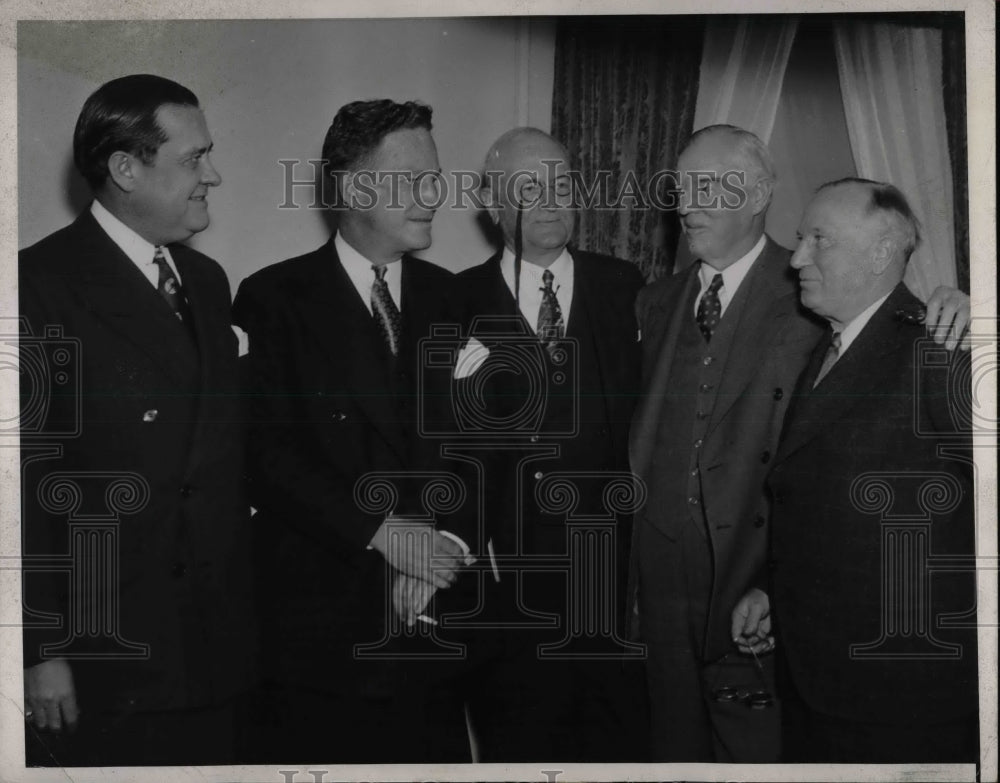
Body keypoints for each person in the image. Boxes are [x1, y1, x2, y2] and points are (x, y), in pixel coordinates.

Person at [628, 124, 971, 762]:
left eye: (708, 185)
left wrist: (962, 310)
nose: (686, 203)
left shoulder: (829, 306)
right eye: (680, 188)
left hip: (860, 654)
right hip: (691, 598)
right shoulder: (655, 302)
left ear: (758, 194)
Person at [18, 74, 254, 766]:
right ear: (126, 168)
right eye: (193, 159)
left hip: (216, 649)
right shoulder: (37, 285)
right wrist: (41, 651)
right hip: (109, 656)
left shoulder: (207, 283)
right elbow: (21, 488)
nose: (212, 174)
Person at [231, 99, 473, 762]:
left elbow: (480, 446)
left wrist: (440, 542)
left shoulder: (455, 299)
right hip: (321, 634)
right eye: (413, 179)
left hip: (432, 621)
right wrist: (383, 532)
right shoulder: (275, 297)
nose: (434, 196)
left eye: (436, 177)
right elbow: (263, 454)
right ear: (352, 187)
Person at [764, 178, 977, 762]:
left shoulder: (943, 347)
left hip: (901, 693)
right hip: (816, 676)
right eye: (802, 238)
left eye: (819, 240)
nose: (799, 257)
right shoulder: (827, 347)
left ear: (882, 252)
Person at [455, 127, 648, 761]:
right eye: (527, 187)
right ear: (489, 201)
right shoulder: (451, 302)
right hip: (509, 600)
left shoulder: (629, 288)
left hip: (616, 589)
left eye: (561, 184)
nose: (550, 201)